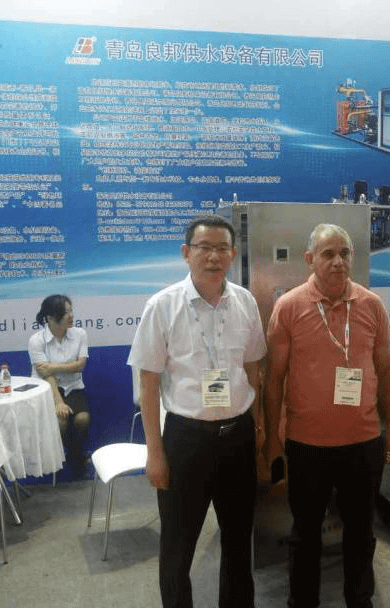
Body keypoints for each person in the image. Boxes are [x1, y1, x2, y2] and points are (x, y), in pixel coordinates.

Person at [128, 214, 266, 608]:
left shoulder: (245, 302)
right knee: (177, 547)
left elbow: (254, 369)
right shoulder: (162, 305)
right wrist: (155, 453)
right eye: (204, 248)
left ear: (233, 254)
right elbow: (148, 383)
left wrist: (258, 427)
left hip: (237, 438)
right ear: (186, 253)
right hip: (185, 441)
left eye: (222, 249)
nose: (214, 257)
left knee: (238, 543)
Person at [264, 223, 390, 608]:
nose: (338, 261)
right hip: (307, 445)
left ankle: (360, 601)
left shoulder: (372, 305)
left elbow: (387, 372)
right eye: (328, 254)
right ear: (310, 259)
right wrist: (272, 441)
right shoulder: (289, 307)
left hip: (363, 443)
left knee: (361, 533)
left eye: (345, 253)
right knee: (305, 534)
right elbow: (273, 379)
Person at [28, 294, 90, 479]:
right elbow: (45, 374)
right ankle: (56, 459)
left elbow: (80, 366)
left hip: (73, 386)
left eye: (71, 310)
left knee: (83, 419)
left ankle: (76, 456)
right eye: (66, 312)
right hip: (47, 388)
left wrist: (52, 366)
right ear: (51, 317)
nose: (71, 315)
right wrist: (59, 402)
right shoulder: (36, 340)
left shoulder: (80, 334)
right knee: (61, 421)